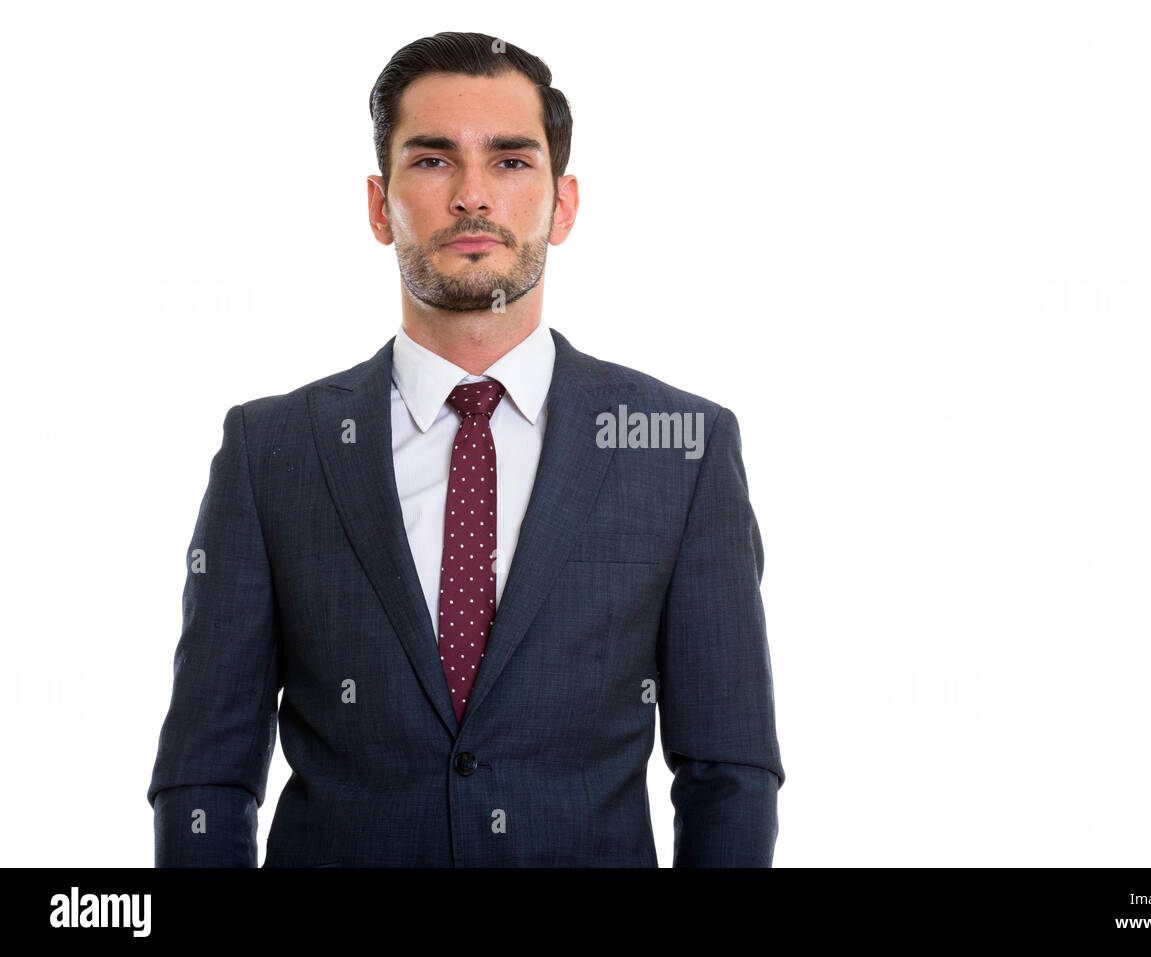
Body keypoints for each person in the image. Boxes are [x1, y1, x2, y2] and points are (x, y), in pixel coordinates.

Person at [147, 31, 784, 867]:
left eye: (511, 161)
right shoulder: (270, 452)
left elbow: (729, 775)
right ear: (380, 206)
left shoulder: (683, 450)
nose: (472, 196)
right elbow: (205, 775)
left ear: (563, 205)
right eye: (433, 160)